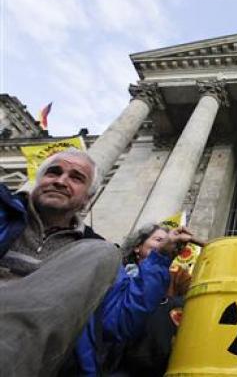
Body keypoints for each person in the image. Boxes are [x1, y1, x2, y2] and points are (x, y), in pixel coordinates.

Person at [0, 149, 120, 376]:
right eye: (53, 173)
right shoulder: (3, 212)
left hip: (30, 355)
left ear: (89, 198)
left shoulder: (95, 251)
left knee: (105, 254)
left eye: (76, 178)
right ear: (38, 181)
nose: (60, 181)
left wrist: (159, 261)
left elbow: (114, 325)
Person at [118, 224, 200, 377]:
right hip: (119, 360)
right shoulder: (118, 274)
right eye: (158, 240)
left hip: (162, 360)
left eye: (168, 241)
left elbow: (197, 298)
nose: (165, 244)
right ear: (137, 247)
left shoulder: (177, 274)